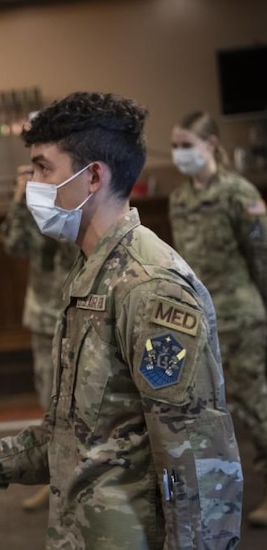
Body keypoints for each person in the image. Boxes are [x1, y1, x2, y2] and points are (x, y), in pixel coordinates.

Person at [0, 92, 243, 548]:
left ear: (92, 176)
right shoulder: (92, 275)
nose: (33, 183)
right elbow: (76, 436)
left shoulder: (148, 287)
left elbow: (199, 465)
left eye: (43, 168)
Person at [168, 110, 267, 527]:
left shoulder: (237, 192)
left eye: (187, 146)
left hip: (240, 317)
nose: (179, 154)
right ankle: (216, 498)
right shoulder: (179, 198)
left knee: (255, 404)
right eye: (174, 147)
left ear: (210, 145)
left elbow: (261, 257)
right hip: (200, 322)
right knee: (208, 413)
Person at [0, 163, 79, 511]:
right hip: (43, 315)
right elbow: (15, 245)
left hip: (77, 311)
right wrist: (21, 196)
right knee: (50, 402)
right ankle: (57, 479)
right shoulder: (33, 202)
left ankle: (81, 481)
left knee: (84, 403)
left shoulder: (74, 195)